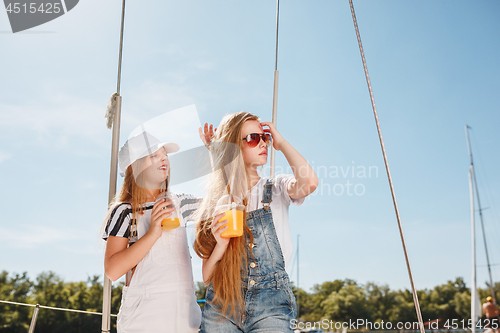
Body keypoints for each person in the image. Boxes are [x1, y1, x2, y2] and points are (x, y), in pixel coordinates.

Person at [194, 112, 318, 332]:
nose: (263, 143)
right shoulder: (217, 201)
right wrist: (221, 245)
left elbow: (309, 182)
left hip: (272, 303)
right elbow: (206, 277)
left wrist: (281, 143)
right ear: (234, 145)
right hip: (223, 301)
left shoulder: (277, 187)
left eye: (265, 138)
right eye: (253, 138)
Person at [102, 129, 213, 333]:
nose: (164, 160)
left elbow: (221, 201)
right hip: (142, 321)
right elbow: (112, 270)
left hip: (185, 320)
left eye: (165, 155)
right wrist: (153, 232)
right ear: (134, 168)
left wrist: (214, 152)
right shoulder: (124, 212)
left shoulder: (181, 203)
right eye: (154, 156)